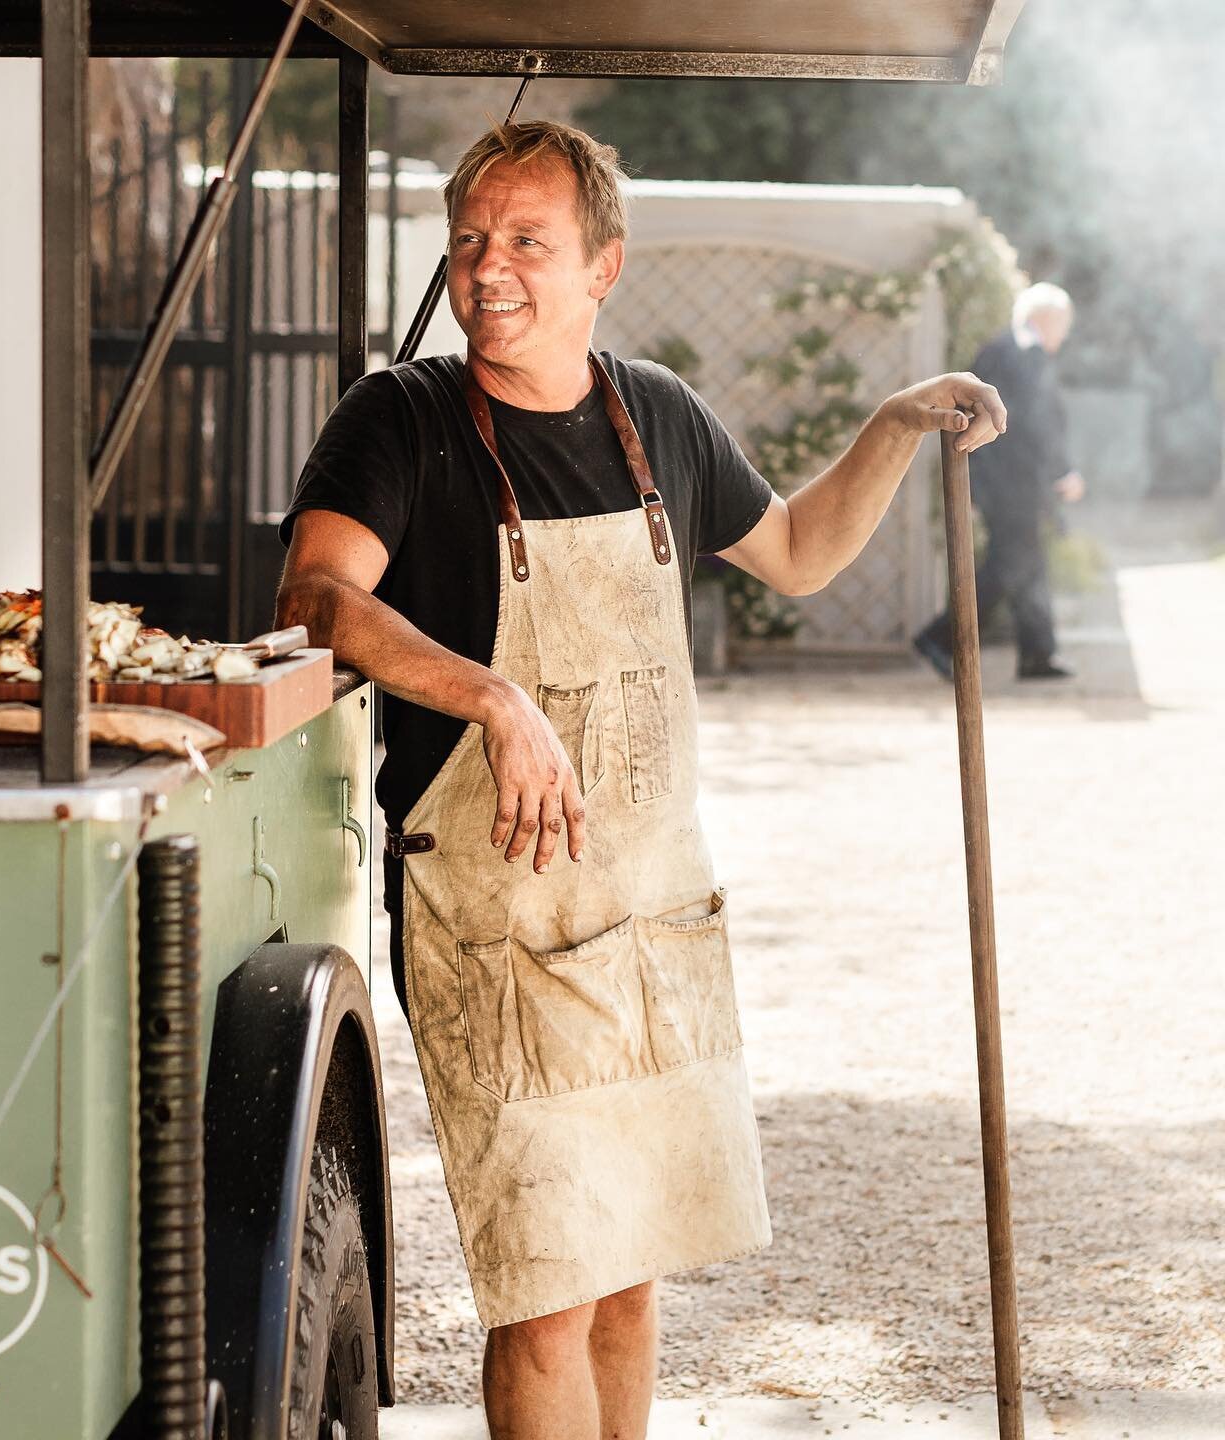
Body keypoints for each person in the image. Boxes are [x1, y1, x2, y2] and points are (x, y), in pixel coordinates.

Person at [277, 120, 1005, 1440]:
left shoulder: (653, 413)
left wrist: (892, 427)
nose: (487, 268)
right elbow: (318, 597)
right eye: (471, 240)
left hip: (649, 921)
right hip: (500, 934)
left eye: (527, 242)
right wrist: (491, 695)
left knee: (627, 1279)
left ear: (604, 263)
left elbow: (793, 552)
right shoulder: (405, 418)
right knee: (548, 1293)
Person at [914, 282, 1085, 681]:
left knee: (1027, 561)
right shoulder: (1028, 351)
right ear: (1048, 318)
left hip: (996, 479)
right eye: (1064, 323)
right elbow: (1036, 421)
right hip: (1015, 482)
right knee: (1009, 565)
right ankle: (938, 637)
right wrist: (1063, 470)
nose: (1065, 333)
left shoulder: (999, 348)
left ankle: (1038, 654)